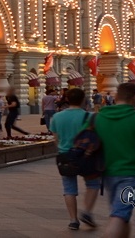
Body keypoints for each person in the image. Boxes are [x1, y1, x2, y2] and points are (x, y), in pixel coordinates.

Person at [93, 82, 135, 238]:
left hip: (107, 173)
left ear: (115, 97)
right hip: (132, 174)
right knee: (119, 216)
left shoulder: (99, 118)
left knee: (122, 215)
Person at [49, 87, 101, 231]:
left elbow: (56, 139)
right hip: (86, 156)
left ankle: (73, 220)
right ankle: (87, 212)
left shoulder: (57, 117)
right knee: (93, 184)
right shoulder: (90, 117)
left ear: (66, 99)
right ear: (83, 100)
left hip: (65, 155)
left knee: (69, 188)